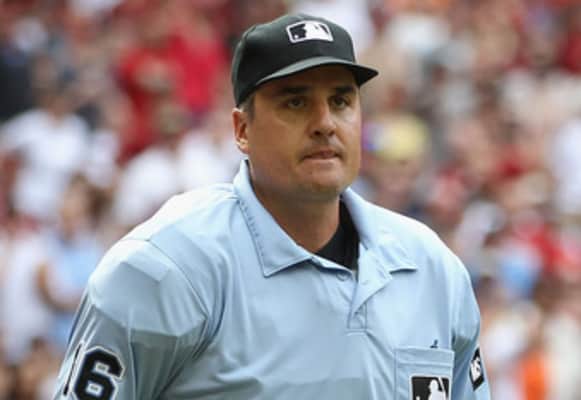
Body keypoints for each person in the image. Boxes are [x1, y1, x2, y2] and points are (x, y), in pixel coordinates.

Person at [52, 13, 491, 399]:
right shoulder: (164, 268)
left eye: (340, 101)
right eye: (295, 102)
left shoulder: (431, 269)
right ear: (242, 130)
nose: (324, 123)